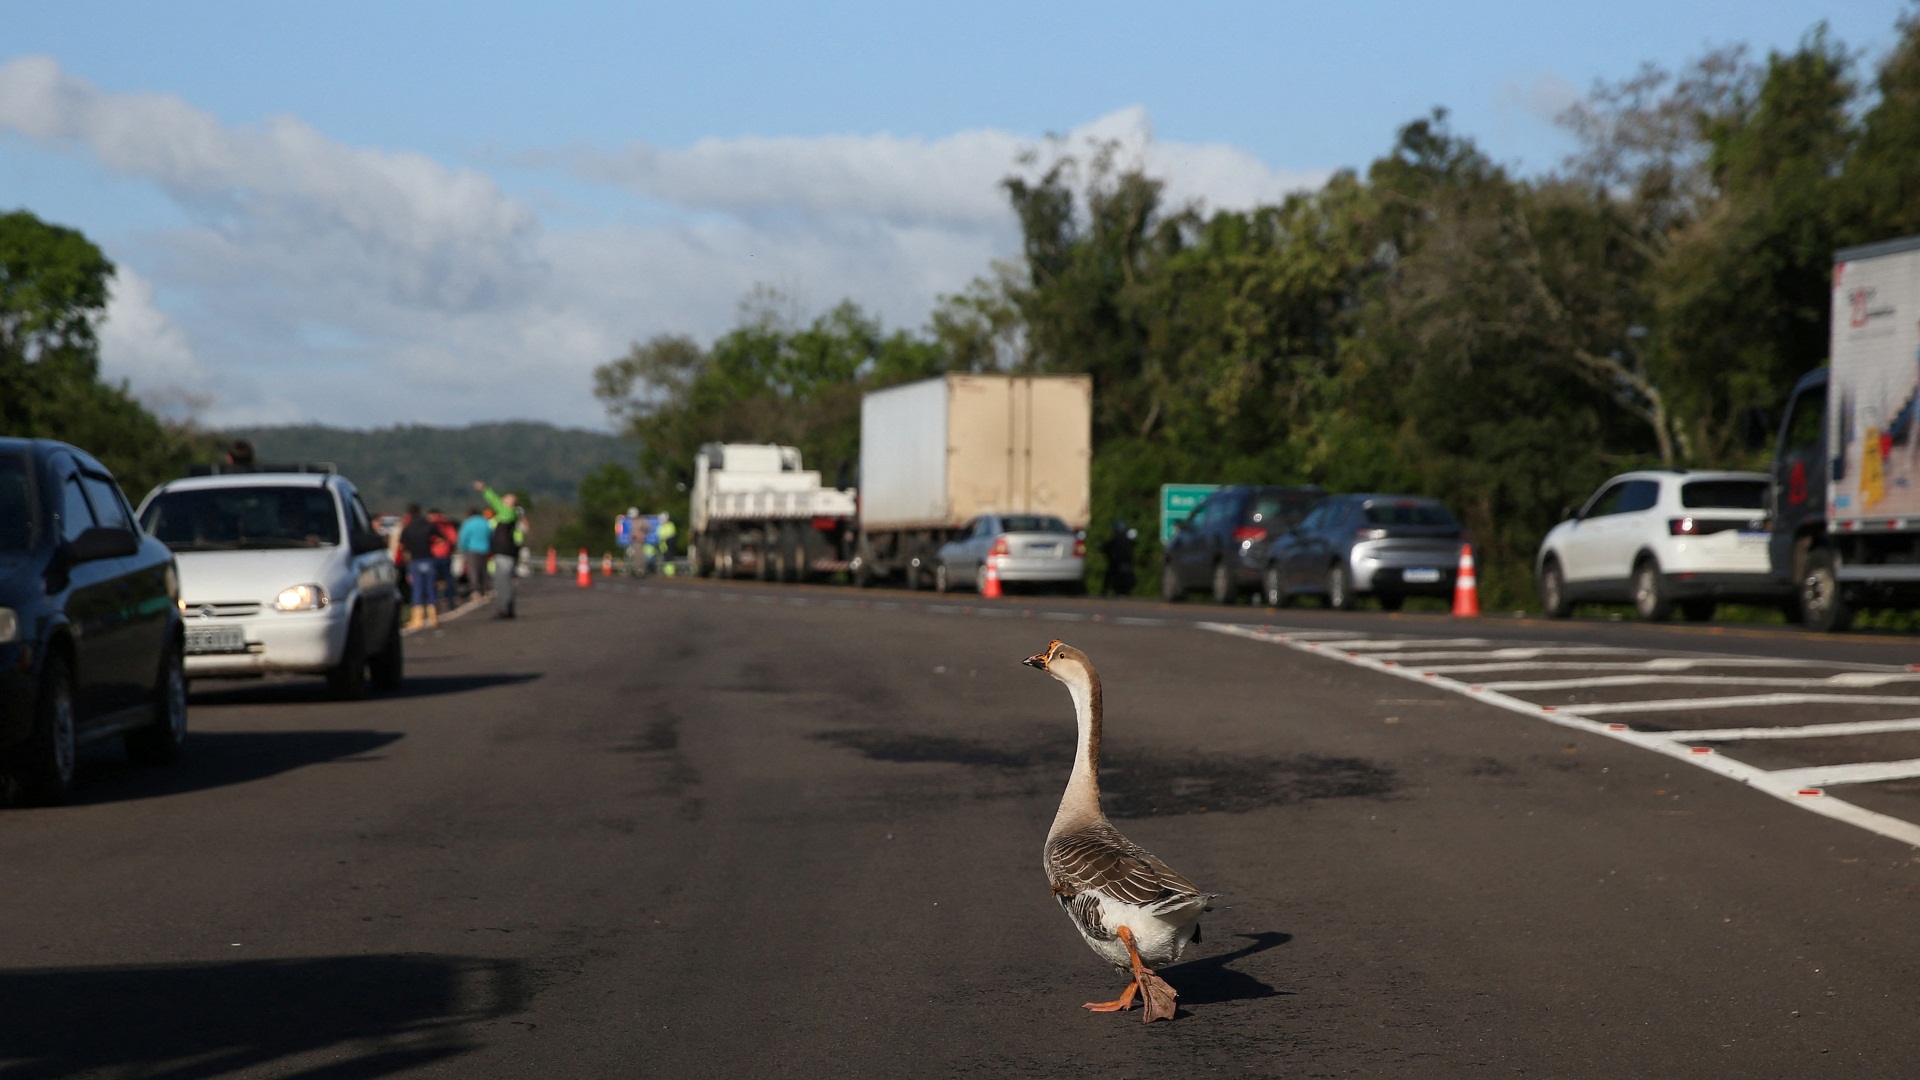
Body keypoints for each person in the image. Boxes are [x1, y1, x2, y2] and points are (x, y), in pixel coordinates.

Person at [474, 481, 523, 618]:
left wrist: (485, 489)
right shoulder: (507, 516)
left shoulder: (507, 513)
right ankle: (508, 607)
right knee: (506, 580)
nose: (502, 500)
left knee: (502, 581)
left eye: (505, 499)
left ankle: (504, 609)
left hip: (504, 552)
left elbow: (495, 502)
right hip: (508, 552)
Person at [399, 504, 440, 629]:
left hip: (415, 560)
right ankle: (433, 618)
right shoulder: (429, 525)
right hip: (428, 558)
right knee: (430, 588)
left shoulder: (408, 528)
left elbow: (402, 545)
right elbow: (441, 538)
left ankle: (418, 620)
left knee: (417, 588)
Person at [458, 505, 494, 600]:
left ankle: (476, 590)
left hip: (472, 549)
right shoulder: (485, 522)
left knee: (473, 570)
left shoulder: (468, 523)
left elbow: (464, 538)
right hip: (485, 549)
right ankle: (486, 589)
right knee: (483, 569)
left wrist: (463, 549)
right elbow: (490, 535)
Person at [1101, 520, 1137, 597]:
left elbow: (1106, 547)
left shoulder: (1116, 539)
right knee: (1110, 575)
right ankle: (1106, 590)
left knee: (1109, 576)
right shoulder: (1126, 539)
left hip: (1119, 562)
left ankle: (1104, 591)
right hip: (1121, 562)